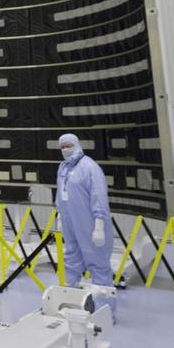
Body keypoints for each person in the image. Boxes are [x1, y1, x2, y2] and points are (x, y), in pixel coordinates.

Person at [55, 132, 115, 311]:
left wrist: (99, 225)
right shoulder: (63, 168)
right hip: (70, 223)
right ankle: (70, 305)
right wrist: (60, 216)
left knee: (98, 266)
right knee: (71, 263)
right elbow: (60, 193)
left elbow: (99, 196)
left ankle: (105, 311)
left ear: (77, 145)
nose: (65, 149)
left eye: (68, 146)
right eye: (62, 147)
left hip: (90, 225)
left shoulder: (89, 167)